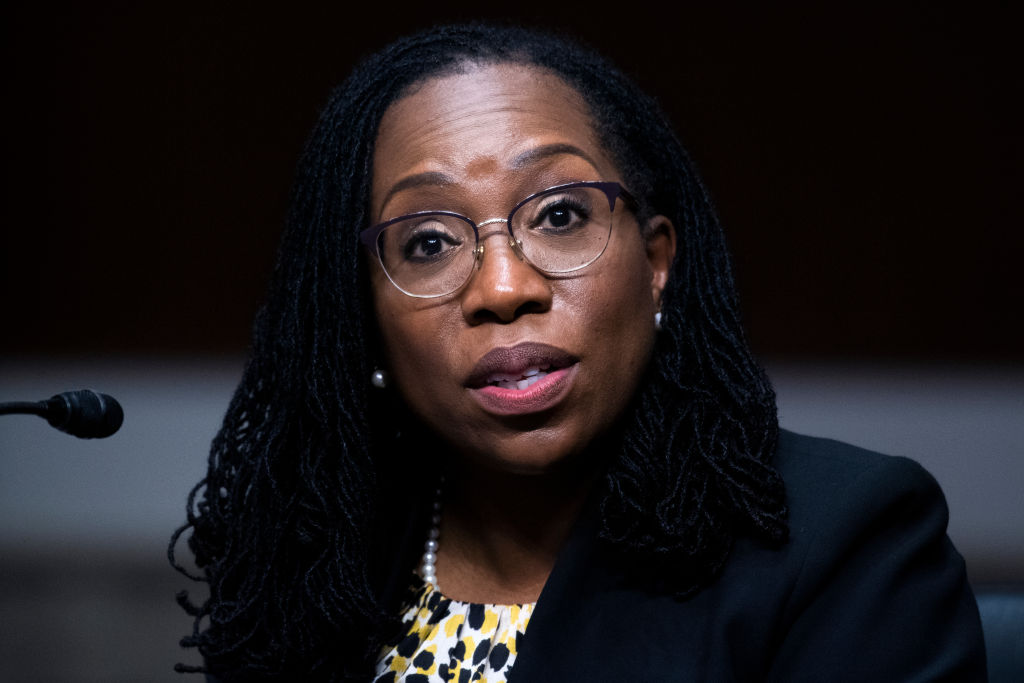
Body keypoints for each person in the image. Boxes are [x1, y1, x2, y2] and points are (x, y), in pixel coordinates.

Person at [170, 24, 986, 682]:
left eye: (559, 215)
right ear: (363, 313)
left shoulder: (846, 540)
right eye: (428, 240)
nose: (503, 287)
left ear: (656, 261)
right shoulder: (318, 562)